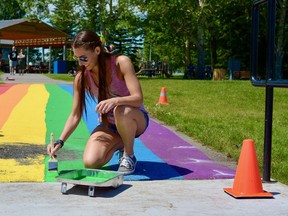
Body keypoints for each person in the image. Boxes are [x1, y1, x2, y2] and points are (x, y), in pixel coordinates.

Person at [47, 30, 149, 175]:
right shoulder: (82, 77)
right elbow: (75, 115)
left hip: (134, 118)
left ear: (97, 50)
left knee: (121, 110)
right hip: (110, 125)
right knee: (90, 162)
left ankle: (129, 155)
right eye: (77, 58)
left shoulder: (121, 63)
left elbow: (138, 98)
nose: (80, 63)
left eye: (83, 58)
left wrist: (116, 101)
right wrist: (60, 141)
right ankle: (121, 143)